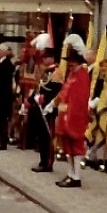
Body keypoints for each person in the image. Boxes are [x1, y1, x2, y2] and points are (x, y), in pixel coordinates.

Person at [47, 36, 91, 188]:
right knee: (68, 147)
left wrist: (70, 117)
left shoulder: (82, 76)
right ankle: (71, 174)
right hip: (66, 116)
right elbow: (64, 93)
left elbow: (79, 100)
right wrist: (53, 103)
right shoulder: (72, 75)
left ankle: (76, 176)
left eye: (72, 61)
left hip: (75, 117)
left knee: (76, 147)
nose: (69, 64)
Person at [28, 48, 62, 173]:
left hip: (49, 109)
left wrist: (46, 100)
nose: (44, 59)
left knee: (47, 136)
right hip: (41, 107)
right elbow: (40, 88)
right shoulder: (47, 71)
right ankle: (42, 161)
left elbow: (56, 91)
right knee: (41, 136)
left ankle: (47, 163)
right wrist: (32, 100)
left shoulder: (56, 72)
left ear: (52, 58)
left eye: (46, 57)